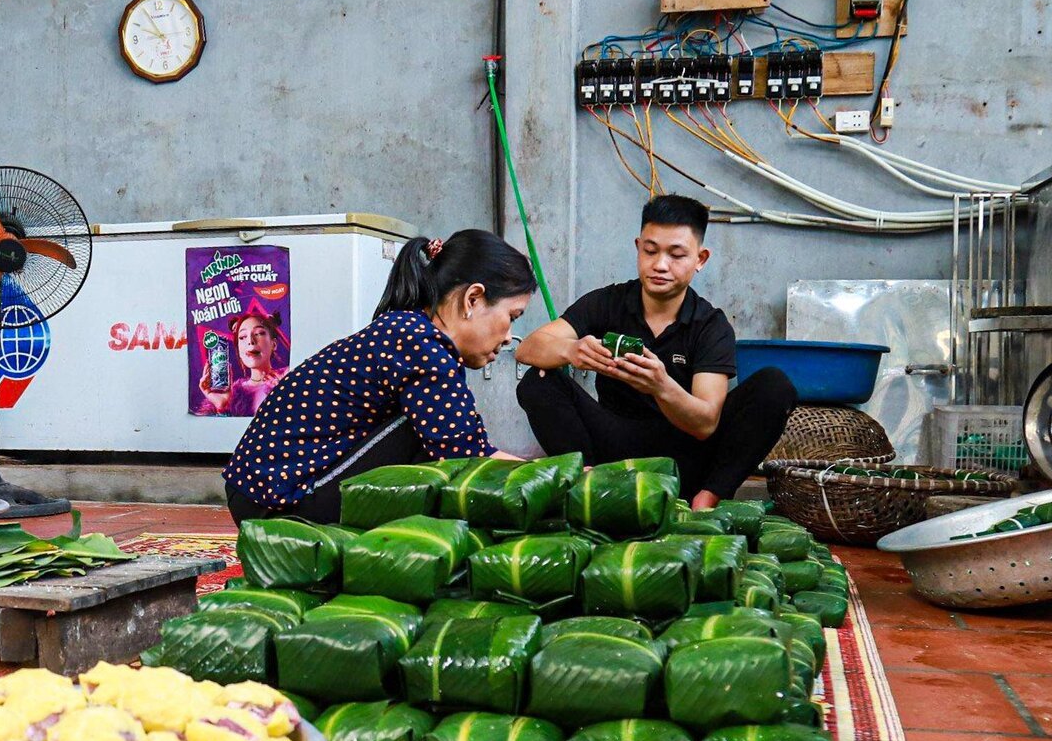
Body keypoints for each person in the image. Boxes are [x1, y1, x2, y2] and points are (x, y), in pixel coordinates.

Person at [222, 230, 529, 524]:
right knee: (429, 438)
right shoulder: (421, 343)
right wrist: (553, 479)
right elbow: (466, 453)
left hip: (262, 493)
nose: (508, 338)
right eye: (511, 317)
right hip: (276, 501)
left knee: (434, 430)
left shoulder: (407, 329)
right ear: (472, 299)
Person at [514, 193, 794, 510]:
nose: (660, 265)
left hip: (685, 457)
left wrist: (662, 386)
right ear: (638, 248)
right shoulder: (607, 302)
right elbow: (528, 348)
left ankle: (707, 499)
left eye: (676, 255)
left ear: (700, 259)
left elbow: (704, 424)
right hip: (614, 448)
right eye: (650, 251)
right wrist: (571, 350)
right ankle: (589, 486)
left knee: (774, 386)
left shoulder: (710, 326)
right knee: (538, 380)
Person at [196, 302, 289, 417]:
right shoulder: (235, 393)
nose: (250, 340)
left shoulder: (289, 378)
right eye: (242, 337)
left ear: (273, 344)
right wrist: (221, 407)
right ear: (239, 349)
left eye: (259, 333)